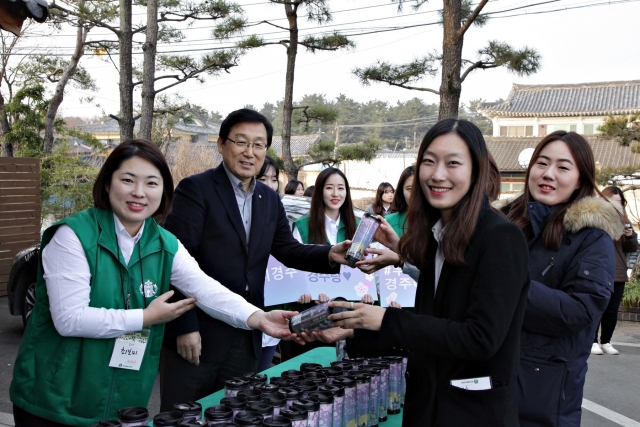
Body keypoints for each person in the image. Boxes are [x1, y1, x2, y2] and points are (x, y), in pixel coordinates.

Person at [10, 139, 300, 427]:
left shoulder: (163, 243)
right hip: (54, 402)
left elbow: (205, 287)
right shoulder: (73, 236)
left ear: (163, 192)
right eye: (128, 180)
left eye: (151, 183)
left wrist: (258, 317)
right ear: (108, 182)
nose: (139, 193)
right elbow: (69, 319)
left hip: (122, 404)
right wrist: (146, 317)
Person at [305, 118, 531, 426]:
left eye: (453, 163)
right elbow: (435, 325)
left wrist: (386, 319)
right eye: (428, 162)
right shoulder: (440, 235)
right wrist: (356, 330)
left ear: (476, 170)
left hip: (472, 412)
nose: (438, 174)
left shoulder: (500, 237)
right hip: (427, 406)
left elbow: (479, 338)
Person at [159, 109, 351, 411]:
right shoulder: (196, 189)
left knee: (238, 413)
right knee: (185, 414)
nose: (250, 152)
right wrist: (184, 326)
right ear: (222, 144)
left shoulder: (269, 198)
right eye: (241, 142)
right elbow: (175, 263)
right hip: (200, 333)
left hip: (247, 333)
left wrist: (329, 253)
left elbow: (286, 249)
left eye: (259, 144)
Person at [503, 131, 620, 426]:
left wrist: (506, 288)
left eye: (563, 167)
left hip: (545, 395)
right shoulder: (505, 222)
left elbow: (581, 309)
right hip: (487, 381)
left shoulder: (592, 237)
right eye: (541, 163)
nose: (548, 174)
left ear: (581, 179)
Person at [592, 186, 638, 355]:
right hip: (600, 269)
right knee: (598, 307)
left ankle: (606, 341)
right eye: (614, 201)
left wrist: (629, 235)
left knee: (612, 309)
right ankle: (592, 341)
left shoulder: (625, 221)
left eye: (620, 202)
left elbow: (631, 249)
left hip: (618, 270)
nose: (618, 205)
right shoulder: (597, 219)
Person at [385, 166, 414, 237]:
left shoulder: (440, 222)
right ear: (401, 191)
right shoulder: (388, 223)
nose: (414, 194)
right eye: (409, 189)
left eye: (419, 188)